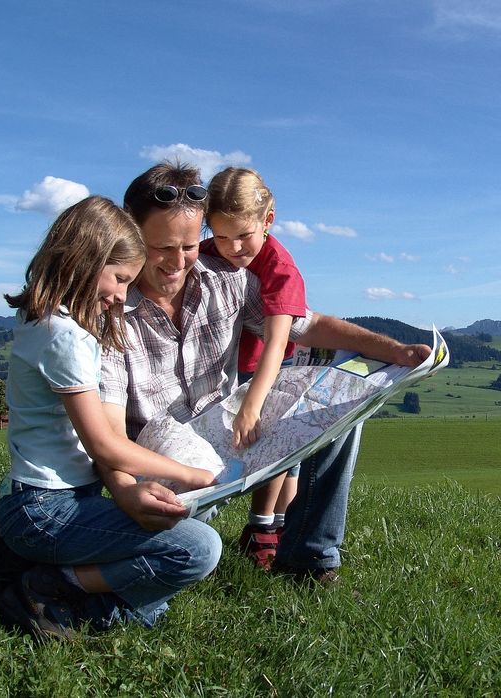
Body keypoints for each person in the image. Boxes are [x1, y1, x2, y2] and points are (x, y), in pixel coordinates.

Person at [100, 160, 430, 584]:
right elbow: (106, 434)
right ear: (132, 235)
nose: (178, 262)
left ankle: (310, 559)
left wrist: (397, 351)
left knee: (342, 410)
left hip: (226, 426)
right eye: (161, 247)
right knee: (191, 544)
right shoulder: (110, 308)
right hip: (162, 457)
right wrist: (124, 488)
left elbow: (304, 325)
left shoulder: (226, 278)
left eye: (188, 245)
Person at [0, 195, 221, 641]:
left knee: (177, 516)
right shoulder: (63, 336)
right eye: (119, 278)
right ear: (85, 259)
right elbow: (103, 445)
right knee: (198, 548)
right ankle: (51, 590)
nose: (121, 295)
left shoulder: (50, 322)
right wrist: (194, 474)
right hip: (43, 511)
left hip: (52, 501)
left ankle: (97, 595)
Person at [201, 167, 304, 569]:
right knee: (275, 449)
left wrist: (253, 405)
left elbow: (277, 343)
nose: (232, 247)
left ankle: (265, 527)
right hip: (228, 364)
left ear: (268, 220)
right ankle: (276, 526)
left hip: (273, 364)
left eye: (243, 235)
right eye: (221, 236)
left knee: (278, 445)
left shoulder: (280, 268)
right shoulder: (207, 253)